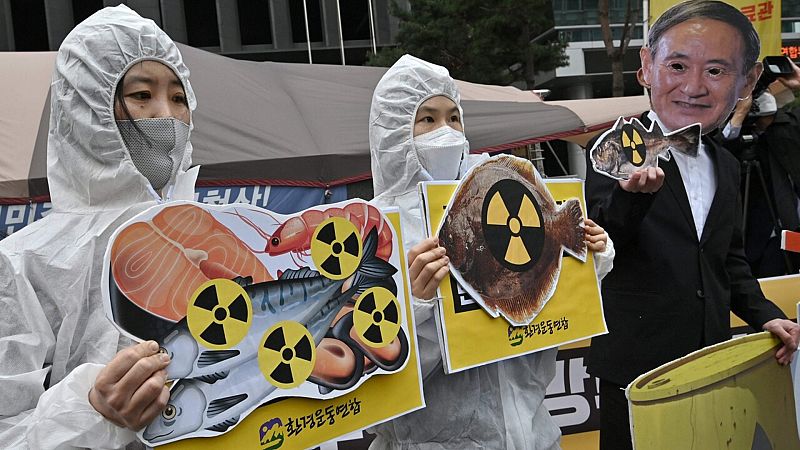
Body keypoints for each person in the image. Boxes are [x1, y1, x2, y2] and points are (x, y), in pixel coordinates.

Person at [368, 54, 615, 449]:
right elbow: (377, 379)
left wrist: (584, 264)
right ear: (393, 131)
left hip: (533, 435)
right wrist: (418, 308)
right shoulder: (375, 232)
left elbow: (539, 320)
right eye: (427, 119)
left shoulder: (499, 192)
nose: (445, 131)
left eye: (454, 117)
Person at [583, 2, 800, 449]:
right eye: (678, 65)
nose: (694, 87)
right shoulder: (617, 149)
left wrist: (768, 317)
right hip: (636, 372)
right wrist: (631, 198)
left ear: (748, 80)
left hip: (711, 363)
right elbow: (599, 246)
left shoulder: (726, 162)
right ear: (646, 67)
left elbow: (728, 261)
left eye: (717, 71)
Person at [0, 5, 198, 447]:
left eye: (179, 97)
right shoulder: (22, 264)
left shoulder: (217, 234)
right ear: (87, 107)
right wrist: (91, 412)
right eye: (141, 96)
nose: (164, 116)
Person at [721, 61, 800, 277]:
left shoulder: (786, 129)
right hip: (745, 244)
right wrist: (737, 118)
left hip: (787, 237)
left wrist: (798, 84)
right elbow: (717, 155)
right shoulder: (724, 137)